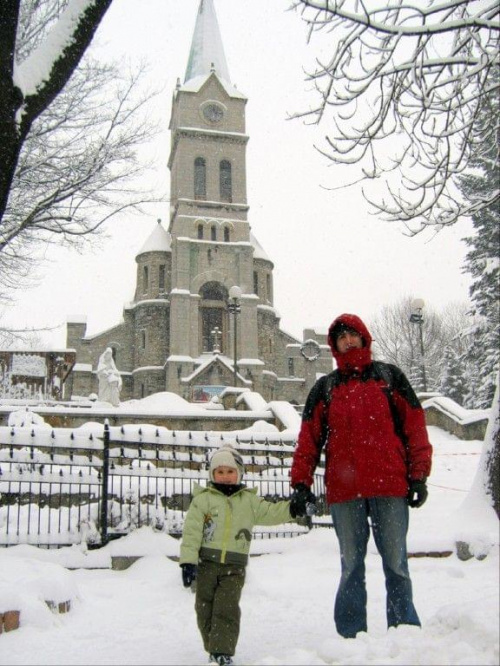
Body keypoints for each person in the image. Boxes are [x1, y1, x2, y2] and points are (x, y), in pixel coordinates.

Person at [291, 313, 433, 639]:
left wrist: (418, 476)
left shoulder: (389, 377)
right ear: (334, 345)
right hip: (345, 493)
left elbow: (415, 427)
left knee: (396, 564)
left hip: (389, 487)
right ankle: (352, 636)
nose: (348, 341)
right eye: (341, 338)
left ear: (364, 338)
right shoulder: (325, 388)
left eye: (352, 335)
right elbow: (308, 440)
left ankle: (404, 631)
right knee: (351, 567)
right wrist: (300, 483)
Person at [179, 443, 309, 666]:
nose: (225, 477)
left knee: (226, 608)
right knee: (205, 609)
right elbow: (191, 533)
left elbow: (270, 512)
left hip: (234, 567)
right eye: (220, 472)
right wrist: (188, 562)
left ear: (239, 474)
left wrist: (292, 509)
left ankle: (222, 652)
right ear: (212, 474)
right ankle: (213, 646)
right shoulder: (203, 500)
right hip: (207, 564)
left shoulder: (248, 501)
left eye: (230, 472)